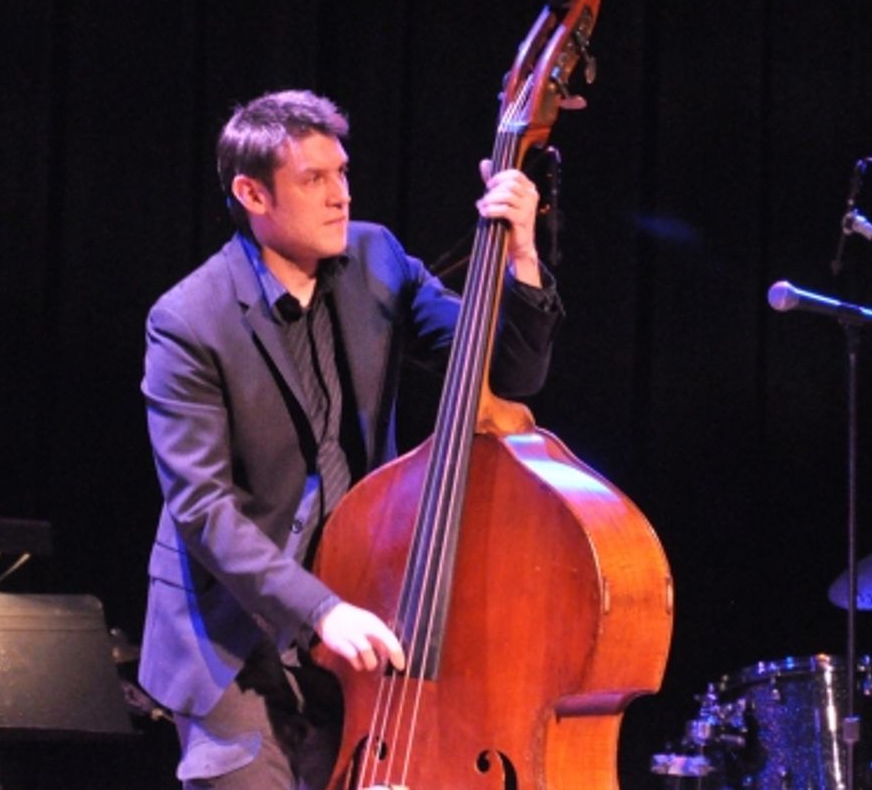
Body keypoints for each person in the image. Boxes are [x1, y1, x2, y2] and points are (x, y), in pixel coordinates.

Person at [138, 89, 562, 789]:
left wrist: (519, 253)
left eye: (341, 172)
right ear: (252, 194)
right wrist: (321, 609)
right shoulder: (189, 321)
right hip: (236, 637)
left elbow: (507, 372)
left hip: (361, 614)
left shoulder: (377, 258)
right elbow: (205, 512)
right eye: (314, 179)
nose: (341, 195)